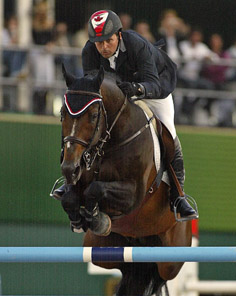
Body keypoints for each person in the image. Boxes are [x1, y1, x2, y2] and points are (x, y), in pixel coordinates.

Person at [58, 10, 198, 221]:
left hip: (152, 87)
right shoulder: (90, 50)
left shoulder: (136, 44)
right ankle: (72, 181)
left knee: (168, 129)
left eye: (108, 41)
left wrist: (137, 89)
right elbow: (93, 86)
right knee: (84, 121)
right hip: (118, 93)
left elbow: (153, 82)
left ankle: (178, 195)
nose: (103, 48)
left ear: (119, 35)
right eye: (99, 43)